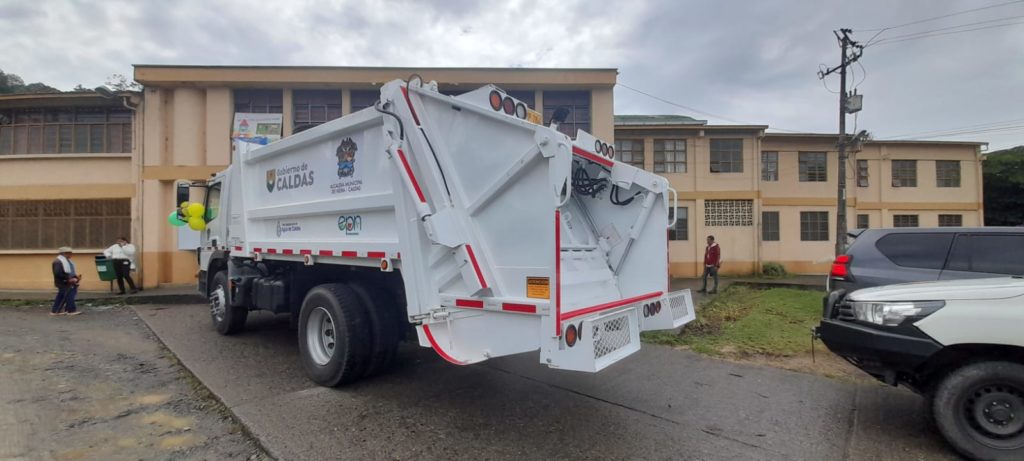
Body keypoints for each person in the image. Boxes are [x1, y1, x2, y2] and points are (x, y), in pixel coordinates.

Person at [51, 246, 82, 316]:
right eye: (69, 253)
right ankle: (70, 310)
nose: (71, 254)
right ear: (64, 253)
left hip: (67, 281)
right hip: (64, 282)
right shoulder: (58, 262)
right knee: (69, 295)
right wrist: (68, 279)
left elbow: (70, 271)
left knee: (62, 296)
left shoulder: (67, 261)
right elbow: (58, 273)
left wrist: (75, 276)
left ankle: (55, 310)